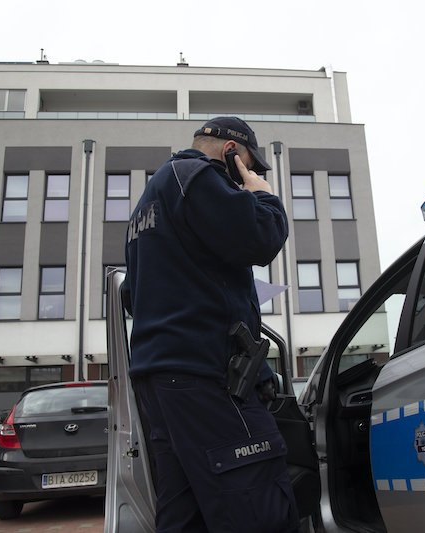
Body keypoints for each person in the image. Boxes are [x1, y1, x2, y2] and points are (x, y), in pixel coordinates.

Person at [123, 116, 298, 532]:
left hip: (161, 380)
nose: (250, 177)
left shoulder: (150, 202)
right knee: (258, 504)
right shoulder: (196, 175)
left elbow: (133, 294)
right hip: (206, 376)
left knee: (186, 513)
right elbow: (260, 238)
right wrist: (265, 197)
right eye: (250, 167)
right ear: (231, 152)